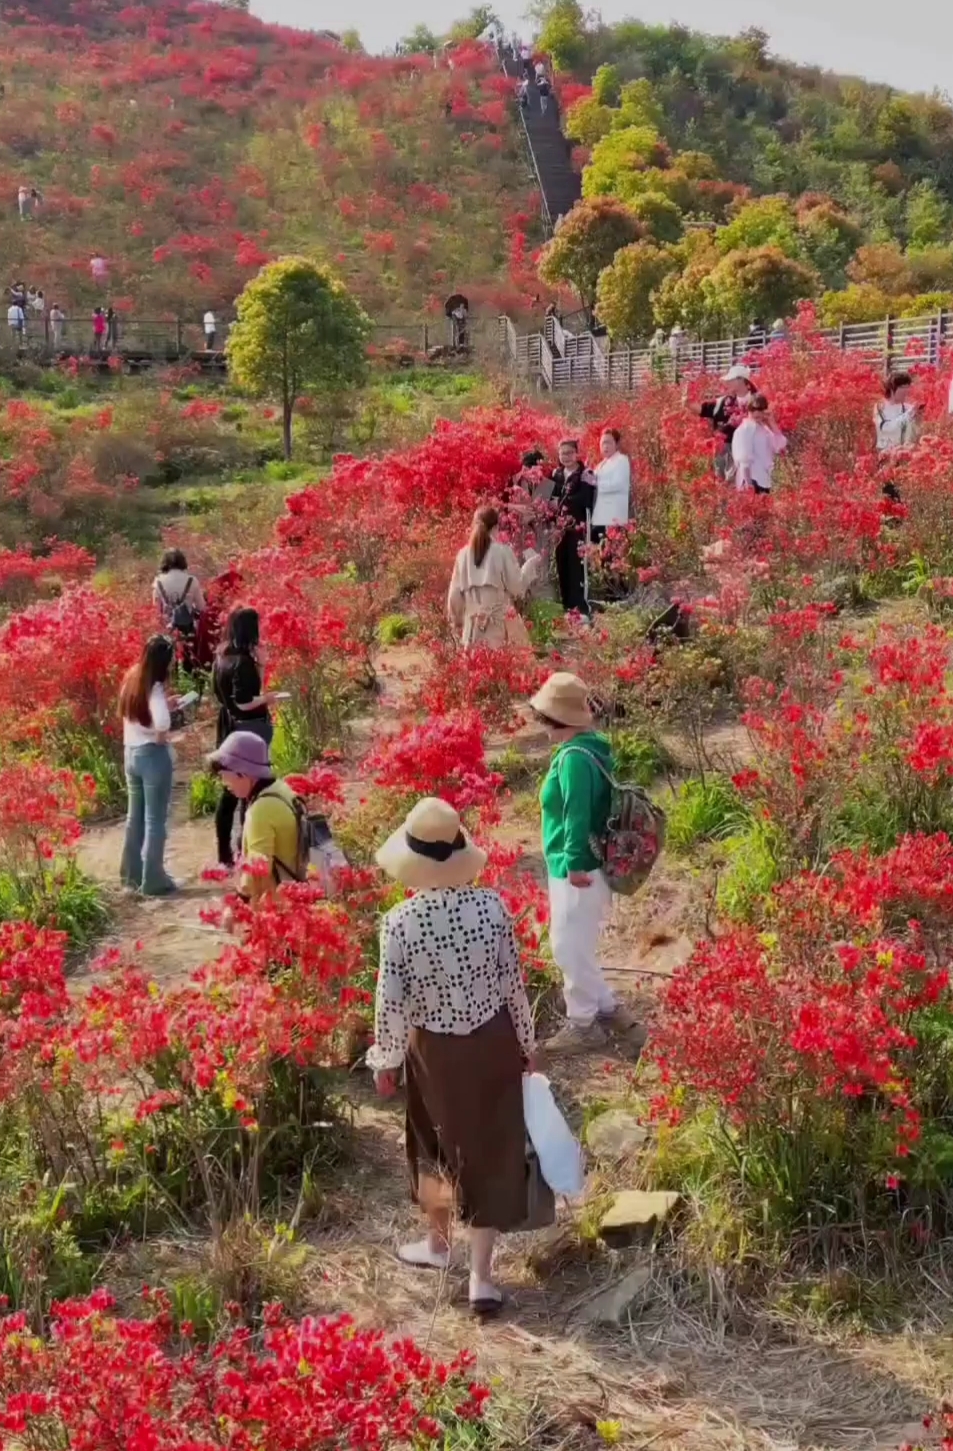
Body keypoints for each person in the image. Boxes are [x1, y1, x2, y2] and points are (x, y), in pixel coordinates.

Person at [368, 796, 546, 1311]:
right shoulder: (491, 907)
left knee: (433, 1145)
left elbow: (391, 1000)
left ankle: (439, 1244)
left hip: (433, 1051)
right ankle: (482, 1279)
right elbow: (513, 983)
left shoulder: (400, 921)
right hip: (491, 1041)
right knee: (490, 1149)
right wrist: (528, 1045)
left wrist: (387, 1060)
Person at [529, 673, 641, 1053]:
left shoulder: (574, 759)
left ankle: (583, 1024)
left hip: (576, 866)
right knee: (578, 943)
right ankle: (609, 1008)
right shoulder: (590, 748)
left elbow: (576, 813)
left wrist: (574, 862)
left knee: (567, 946)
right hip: (591, 863)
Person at [212, 606, 281, 869]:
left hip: (228, 726)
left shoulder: (222, 657)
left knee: (230, 788)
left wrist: (261, 665)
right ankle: (244, 846)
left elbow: (230, 698)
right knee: (249, 787)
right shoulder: (242, 661)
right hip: (250, 727)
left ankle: (225, 852)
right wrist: (267, 699)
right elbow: (245, 701)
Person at [207, 732, 299, 907]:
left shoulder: (260, 810)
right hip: (295, 891)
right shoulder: (281, 788)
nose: (223, 782)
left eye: (224, 774)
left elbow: (258, 870)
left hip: (277, 909)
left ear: (243, 773)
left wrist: (236, 906)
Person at [119, 635, 179, 897]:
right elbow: (163, 723)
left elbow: (136, 713)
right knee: (155, 821)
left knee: (135, 818)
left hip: (130, 754)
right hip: (152, 757)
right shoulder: (154, 687)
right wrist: (161, 731)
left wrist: (162, 710)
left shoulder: (132, 677)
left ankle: (131, 874)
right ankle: (154, 879)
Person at [447, 506, 540, 649]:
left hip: (471, 629)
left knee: (475, 668)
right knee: (500, 667)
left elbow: (454, 596)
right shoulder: (502, 552)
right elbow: (517, 587)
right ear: (496, 527)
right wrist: (529, 566)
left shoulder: (462, 555)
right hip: (498, 627)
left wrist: (457, 621)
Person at [550, 440, 596, 617]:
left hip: (578, 527)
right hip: (560, 529)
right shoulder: (556, 474)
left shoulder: (586, 473)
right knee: (562, 564)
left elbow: (585, 499)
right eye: (562, 454)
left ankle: (581, 608)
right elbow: (550, 498)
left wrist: (563, 502)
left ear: (577, 453)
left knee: (578, 566)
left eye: (569, 453)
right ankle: (566, 606)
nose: (566, 457)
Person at [699, 364, 755, 480]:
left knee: (735, 481)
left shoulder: (756, 400)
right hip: (722, 447)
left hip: (745, 448)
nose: (728, 383)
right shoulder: (724, 401)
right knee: (721, 481)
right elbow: (702, 409)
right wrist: (687, 400)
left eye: (731, 380)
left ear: (741, 380)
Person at [731, 394, 786, 495]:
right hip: (751, 479)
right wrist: (749, 484)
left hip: (763, 479)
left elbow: (780, 446)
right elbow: (744, 459)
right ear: (748, 410)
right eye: (753, 409)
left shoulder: (764, 429)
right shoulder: (746, 428)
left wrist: (772, 423)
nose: (757, 413)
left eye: (760, 409)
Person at [152, 548, 206, 637]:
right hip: (188, 630)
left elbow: (156, 612)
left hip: (167, 631)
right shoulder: (191, 580)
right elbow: (201, 607)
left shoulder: (158, 582)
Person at [590, 428, 631, 542]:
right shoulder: (600, 465)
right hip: (599, 515)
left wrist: (595, 482)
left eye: (609, 442)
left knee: (612, 552)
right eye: (603, 443)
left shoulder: (621, 460)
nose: (605, 446)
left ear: (616, 444)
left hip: (613, 516)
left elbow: (618, 484)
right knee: (599, 553)